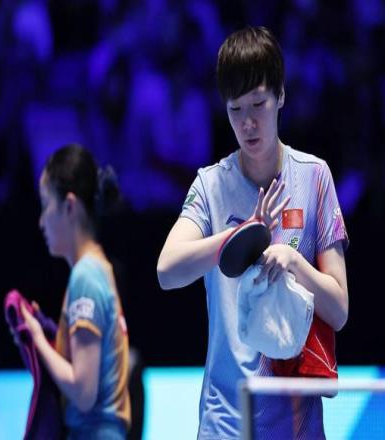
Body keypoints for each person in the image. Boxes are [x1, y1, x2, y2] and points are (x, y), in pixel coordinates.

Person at [157, 26, 349, 439]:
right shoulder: (211, 185)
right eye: (235, 109)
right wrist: (240, 235)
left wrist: (294, 262)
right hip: (225, 421)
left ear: (281, 95)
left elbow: (339, 309)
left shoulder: (314, 178)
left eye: (258, 104)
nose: (247, 123)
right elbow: (167, 270)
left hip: (296, 423)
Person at [19, 144, 131, 439]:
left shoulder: (86, 277)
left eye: (46, 204)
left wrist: (36, 338)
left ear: (69, 206)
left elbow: (83, 392)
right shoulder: (100, 268)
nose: (41, 221)